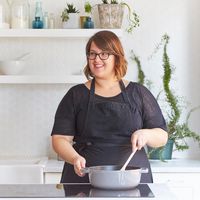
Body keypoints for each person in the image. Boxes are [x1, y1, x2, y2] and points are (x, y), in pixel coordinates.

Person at [51, 30, 168, 183]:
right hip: (84, 178)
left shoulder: (138, 93)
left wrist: (146, 134)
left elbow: (162, 136)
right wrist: (74, 158)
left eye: (104, 54)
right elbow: (59, 138)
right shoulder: (75, 95)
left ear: (116, 57)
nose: (96, 59)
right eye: (92, 54)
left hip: (132, 178)